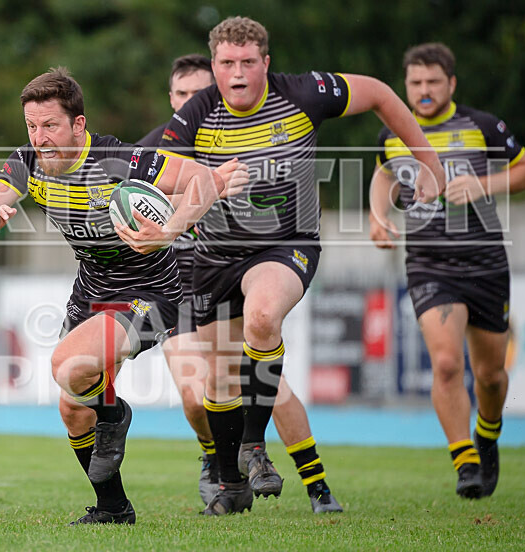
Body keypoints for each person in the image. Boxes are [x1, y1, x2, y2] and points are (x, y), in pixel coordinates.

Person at [159, 17, 445, 515]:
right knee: (219, 381)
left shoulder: (302, 93)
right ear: (215, 66)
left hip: (286, 244)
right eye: (227, 63)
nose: (238, 72)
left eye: (248, 62)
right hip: (215, 257)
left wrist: (429, 161)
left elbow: (379, 93)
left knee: (263, 316)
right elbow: (162, 182)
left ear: (266, 63)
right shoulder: (196, 114)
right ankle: (232, 484)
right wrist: (209, 184)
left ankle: (255, 445)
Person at [0, 67, 248, 525]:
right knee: (73, 408)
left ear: (79, 124)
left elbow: (206, 180)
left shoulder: (122, 160)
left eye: (50, 125)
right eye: (31, 126)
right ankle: (113, 508)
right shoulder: (28, 162)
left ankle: (117, 417)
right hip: (92, 289)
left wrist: (169, 230)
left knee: (68, 365)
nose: (40, 138)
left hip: (150, 291)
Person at [141, 53, 345, 514]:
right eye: (181, 94)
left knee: (265, 380)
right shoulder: (155, 151)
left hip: (227, 270)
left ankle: (314, 483)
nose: (191, 102)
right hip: (177, 282)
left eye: (198, 93)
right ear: (171, 99)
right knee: (195, 394)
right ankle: (219, 465)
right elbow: (120, 200)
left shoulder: (241, 139)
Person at [369, 43, 525, 499]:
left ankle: (487, 433)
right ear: (405, 86)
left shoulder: (482, 126)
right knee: (445, 363)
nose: (423, 90)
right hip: (430, 265)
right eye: (415, 83)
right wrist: (377, 216)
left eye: (433, 82)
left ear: (452, 83)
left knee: (490, 375)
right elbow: (383, 174)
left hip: (485, 264)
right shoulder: (393, 133)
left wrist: (482, 184)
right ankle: (465, 462)